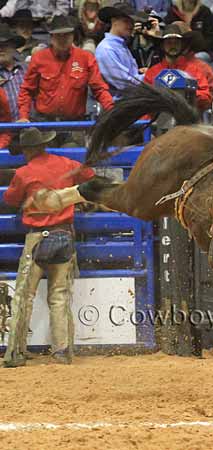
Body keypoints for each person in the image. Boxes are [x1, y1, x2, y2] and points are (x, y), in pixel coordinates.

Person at [2, 127, 96, 368]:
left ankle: (15, 353)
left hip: (37, 238)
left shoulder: (24, 173)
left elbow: (11, 199)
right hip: (64, 234)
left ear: (28, 150)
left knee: (24, 295)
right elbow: (91, 176)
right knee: (60, 295)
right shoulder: (67, 163)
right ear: (43, 145)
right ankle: (62, 351)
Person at [17, 16, 114, 125]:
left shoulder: (86, 58)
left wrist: (111, 110)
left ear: (73, 36)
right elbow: (27, 90)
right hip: (45, 122)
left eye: (66, 35)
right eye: (58, 35)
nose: (62, 39)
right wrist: (23, 116)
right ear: (51, 37)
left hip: (75, 122)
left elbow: (99, 89)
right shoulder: (39, 58)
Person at [144, 23, 213, 111]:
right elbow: (144, 99)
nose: (173, 46)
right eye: (169, 42)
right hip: (159, 119)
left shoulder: (195, 70)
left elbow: (206, 96)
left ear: (182, 45)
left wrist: (187, 95)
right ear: (162, 45)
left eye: (176, 42)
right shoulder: (152, 72)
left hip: (189, 118)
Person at [96, 2, 146, 96]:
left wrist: (140, 72)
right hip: (119, 106)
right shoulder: (106, 49)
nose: (131, 25)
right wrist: (150, 76)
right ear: (114, 20)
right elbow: (124, 84)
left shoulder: (120, 45)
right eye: (126, 21)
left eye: (132, 22)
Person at [0, 24, 27, 122]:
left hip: (30, 128)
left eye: (5, 45)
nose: (1, 49)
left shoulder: (28, 70)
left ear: (13, 47)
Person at [0, 0, 69, 20]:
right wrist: (1, 13)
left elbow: (62, 9)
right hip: (26, 23)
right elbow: (11, 6)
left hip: (48, 24)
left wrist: (53, 19)